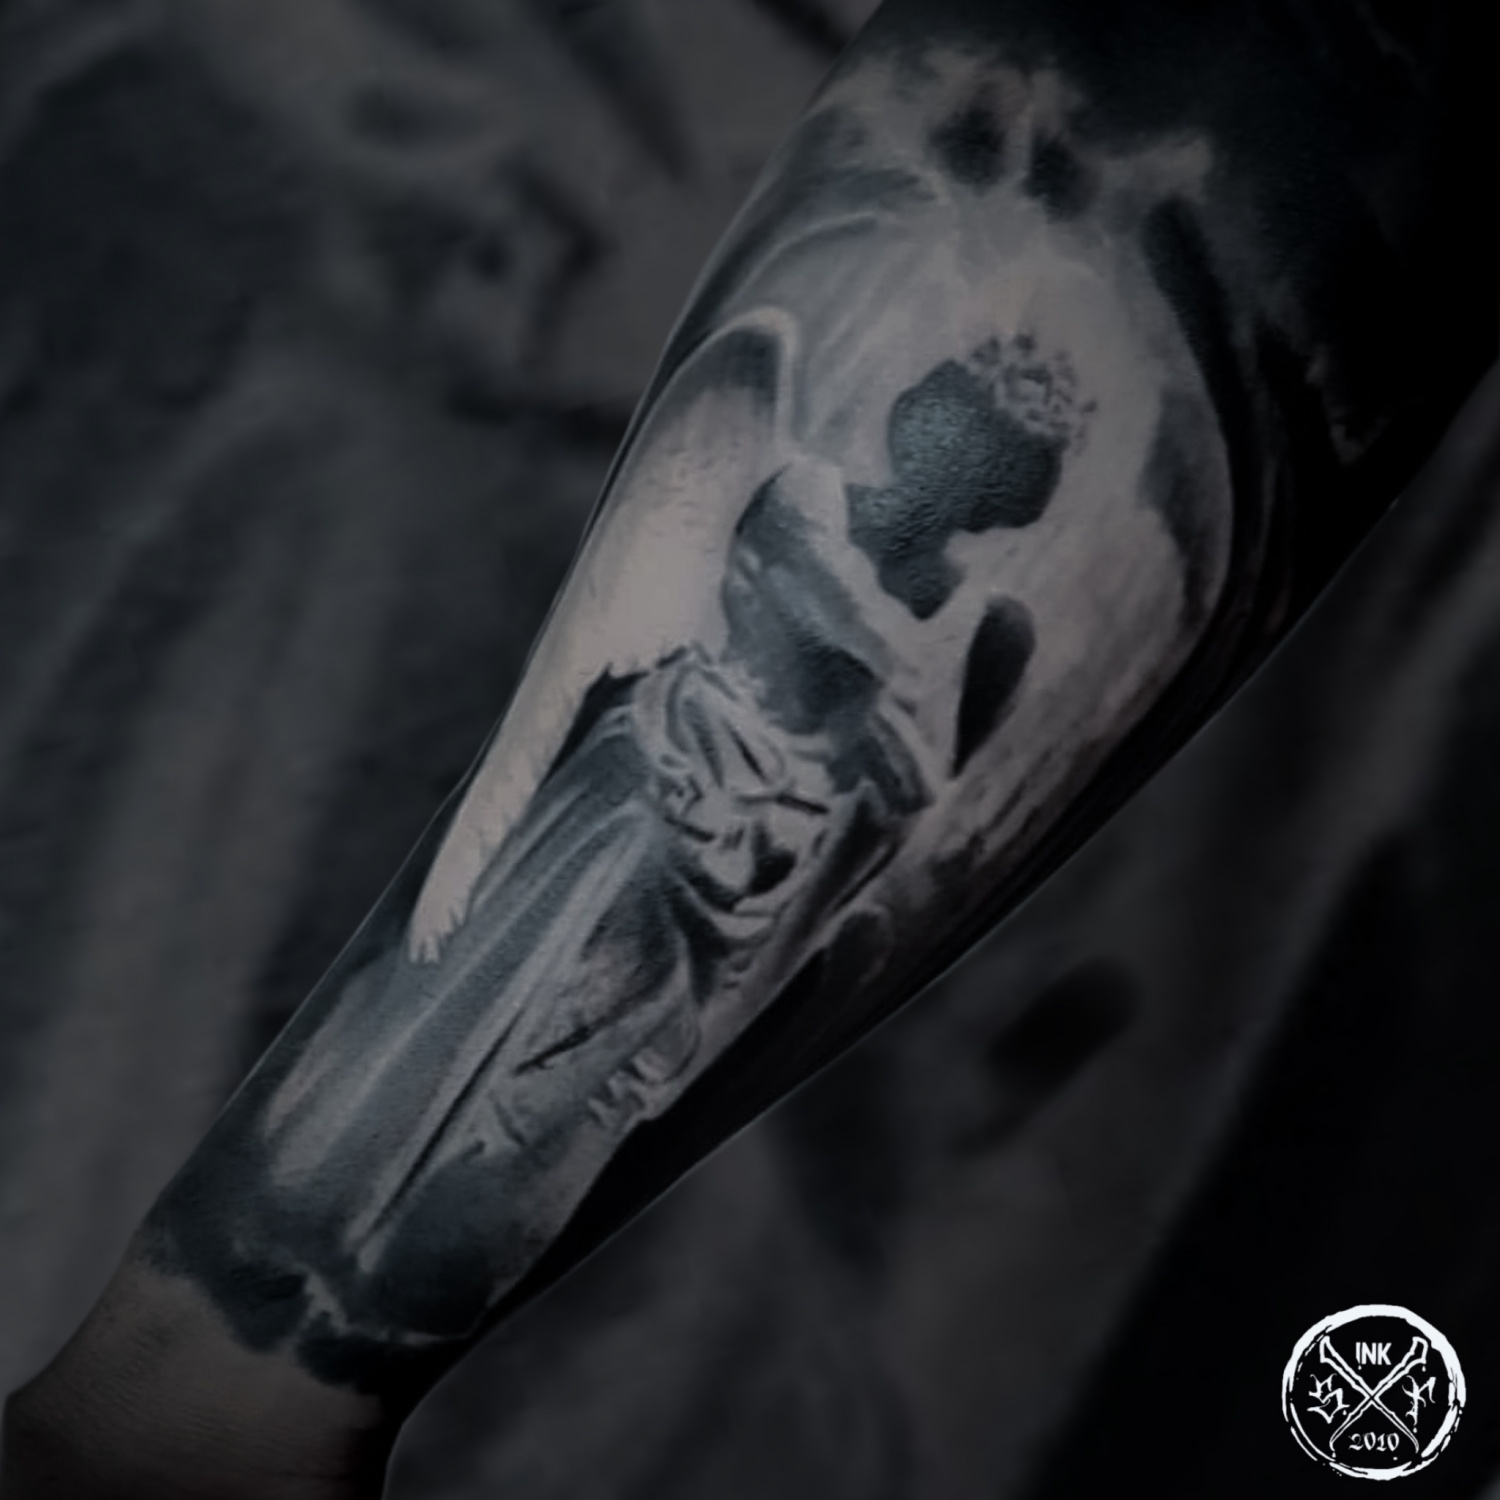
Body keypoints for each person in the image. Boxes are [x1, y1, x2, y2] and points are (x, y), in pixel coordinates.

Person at [3, 0, 1494, 1494]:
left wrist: (208, 1398)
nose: (974, 484)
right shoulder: (813, 520)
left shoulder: (957, 640)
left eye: (1006, 471)